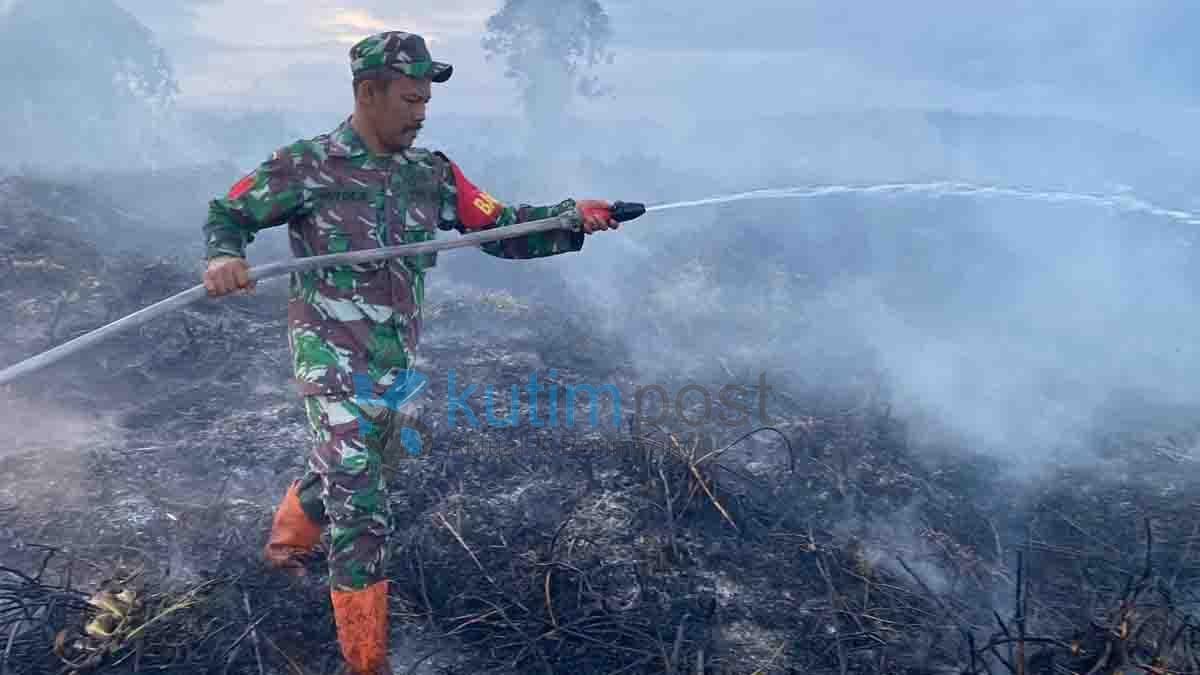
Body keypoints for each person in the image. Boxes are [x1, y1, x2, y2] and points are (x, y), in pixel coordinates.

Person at [200, 31, 622, 675]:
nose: (421, 112)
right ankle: (366, 663)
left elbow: (498, 229)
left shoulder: (431, 173)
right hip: (328, 357)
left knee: (364, 461)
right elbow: (229, 212)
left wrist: (570, 217)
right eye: (409, 99)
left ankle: (285, 550)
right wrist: (224, 256)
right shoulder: (305, 166)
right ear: (368, 93)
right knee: (362, 506)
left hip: (391, 362)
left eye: (426, 100)